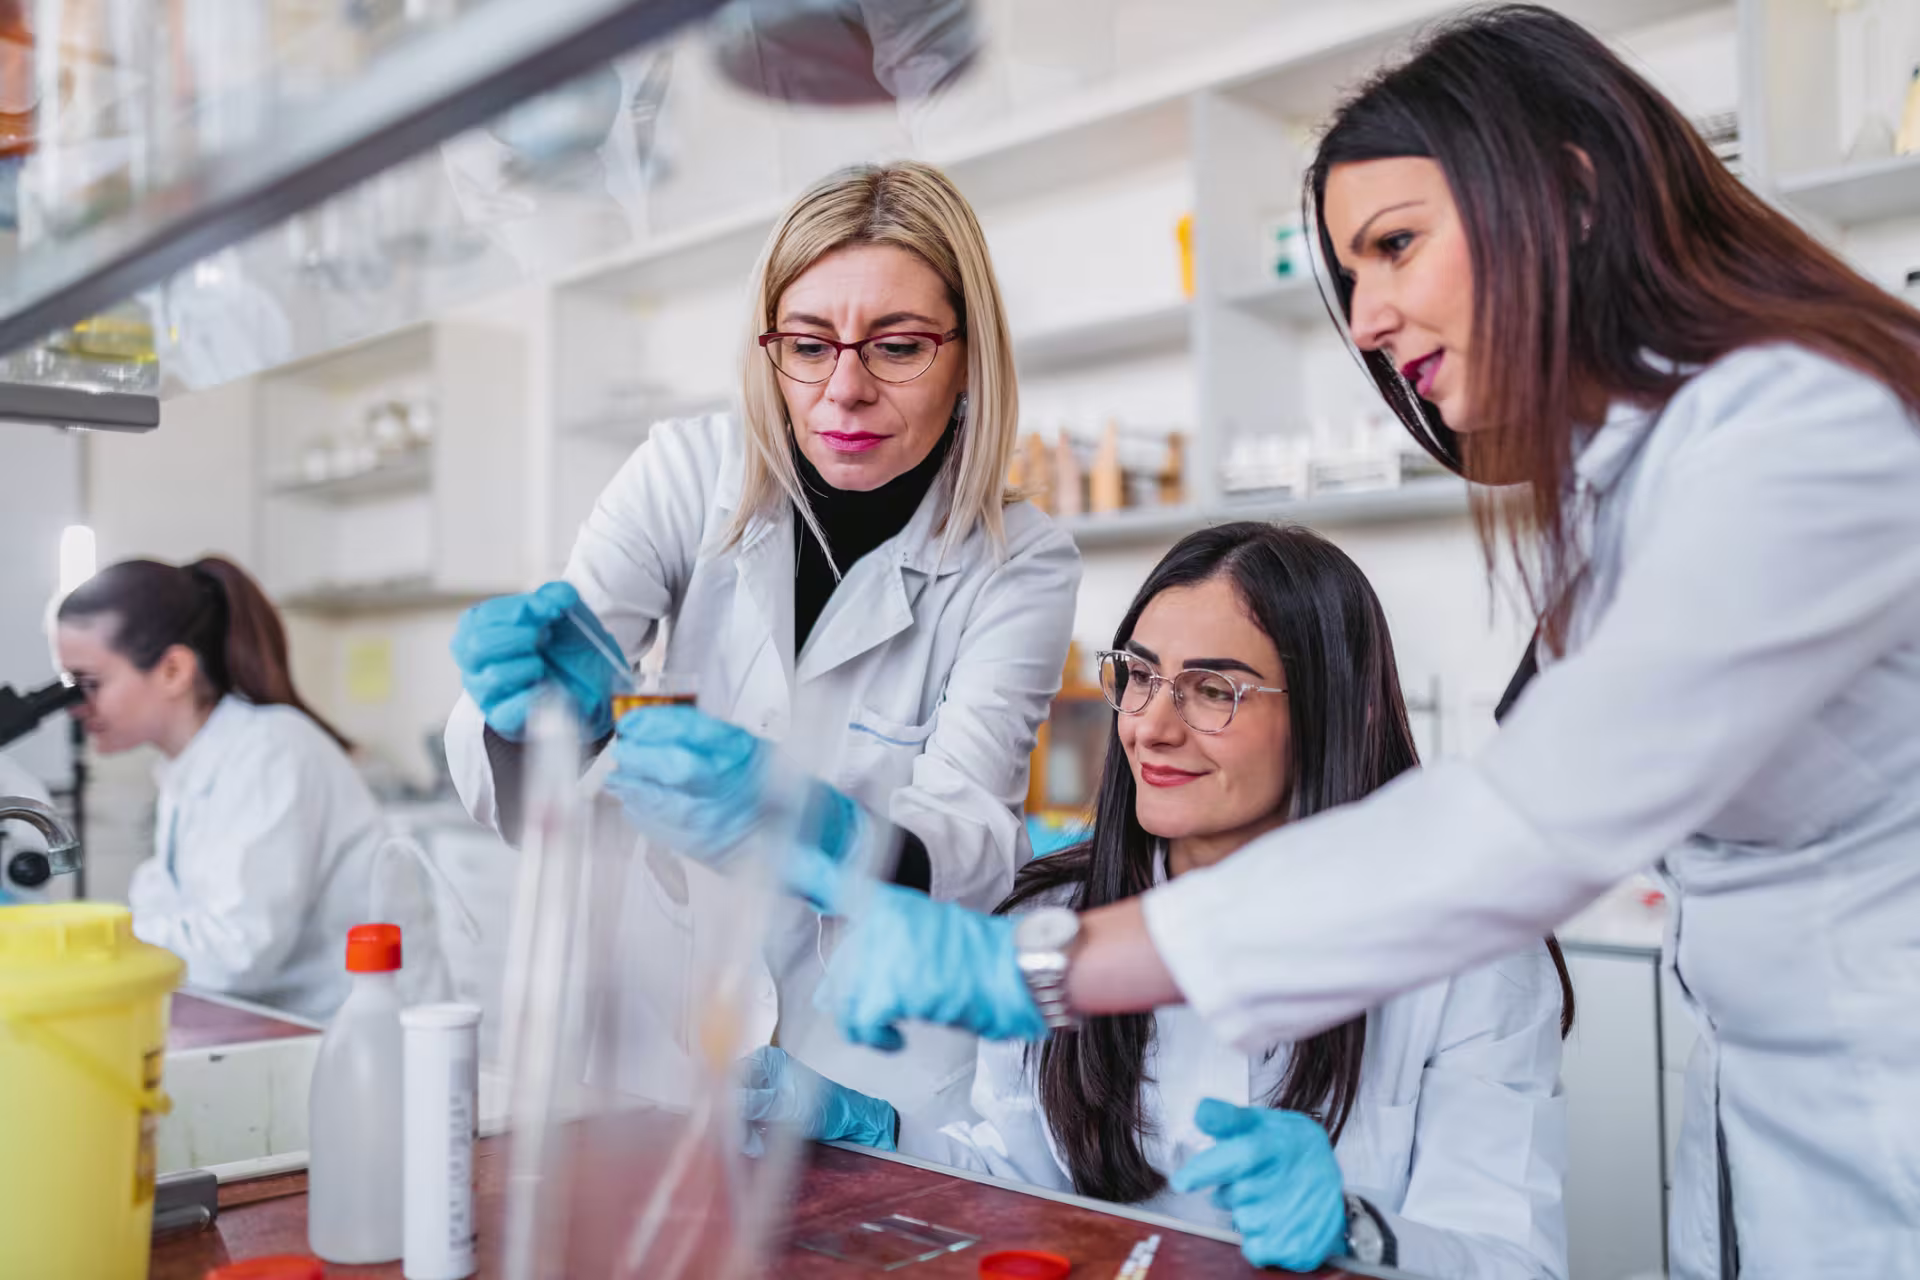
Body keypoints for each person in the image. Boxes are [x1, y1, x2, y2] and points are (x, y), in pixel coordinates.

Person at [809, 8, 1920, 1276]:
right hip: (1789, 1130)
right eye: (1350, 275)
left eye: (1395, 244)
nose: (1371, 319)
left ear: (1570, 195)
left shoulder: (1801, 434)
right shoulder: (1644, 483)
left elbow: (1516, 826)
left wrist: (1046, 966)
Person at [748, 524, 1572, 1275]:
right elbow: (1018, 1184)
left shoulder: (1476, 958)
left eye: (1214, 690)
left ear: (1339, 710)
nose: (1151, 726)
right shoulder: (1057, 916)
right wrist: (880, 1138)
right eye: (1140, 676)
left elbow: (1515, 1262)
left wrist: (1354, 1229)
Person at [444, 161, 1080, 1114]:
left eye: (898, 347)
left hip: (871, 1054)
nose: (845, 389)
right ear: (769, 349)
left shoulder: (1018, 560)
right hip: (664, 1030)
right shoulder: (683, 474)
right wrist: (539, 718)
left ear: (968, 356)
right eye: (809, 345)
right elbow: (528, 784)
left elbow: (973, 839)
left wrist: (823, 830)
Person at [56, 558, 432, 1022]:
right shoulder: (188, 768)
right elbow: (163, 912)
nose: (74, 707)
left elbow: (234, 956)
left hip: (366, 1033)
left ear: (173, 670)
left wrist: (95, 942)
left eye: (89, 683)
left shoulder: (270, 751)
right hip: (295, 1027)